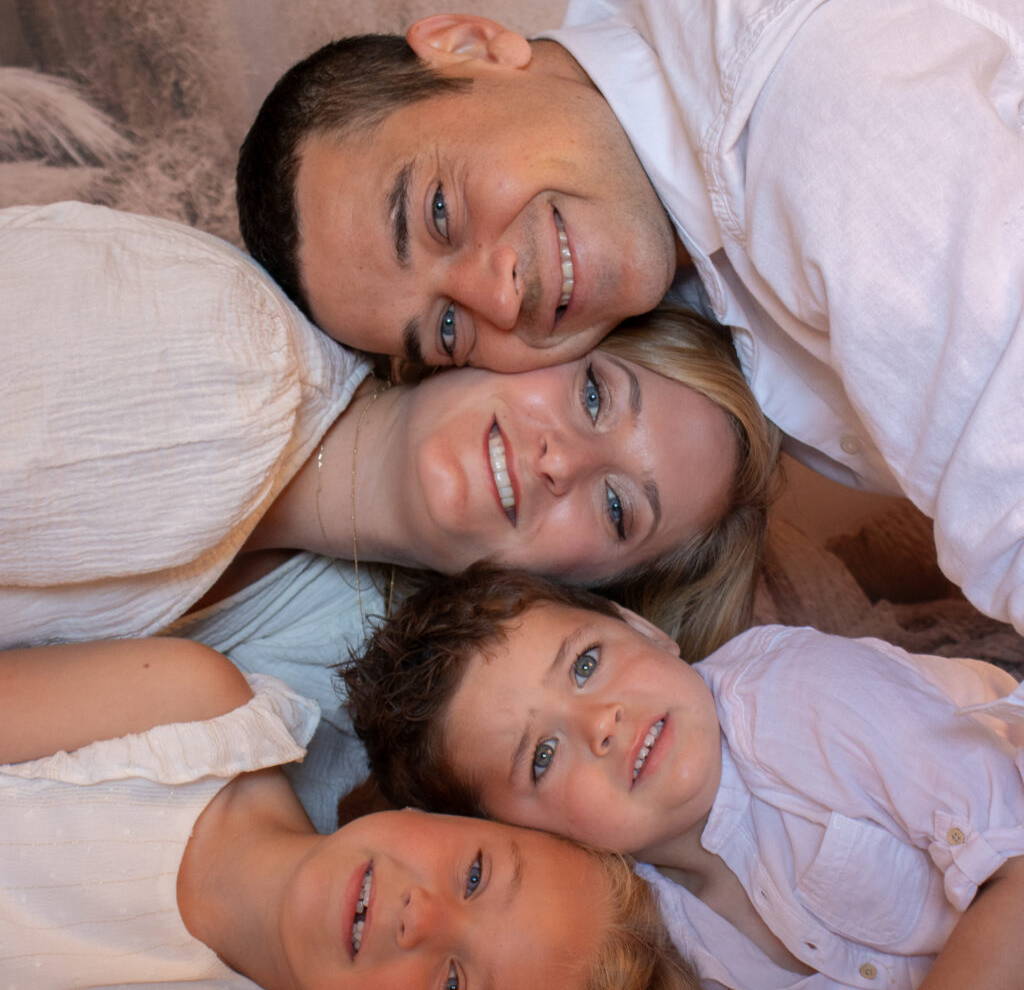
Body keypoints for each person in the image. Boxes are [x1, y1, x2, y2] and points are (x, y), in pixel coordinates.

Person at [237, 0, 1024, 635]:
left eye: (438, 211)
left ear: (473, 46)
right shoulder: (679, 267)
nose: (498, 296)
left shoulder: (802, 107)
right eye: (447, 329)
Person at [2, 202, 777, 827]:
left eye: (616, 508)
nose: (562, 459)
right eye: (595, 395)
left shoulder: (344, 714)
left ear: (592, 594)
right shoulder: (204, 329)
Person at [342, 565, 1024, 990]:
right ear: (528, 837)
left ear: (644, 629)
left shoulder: (803, 698)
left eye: (584, 665)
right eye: (542, 756)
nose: (600, 723)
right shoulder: (655, 927)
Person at [0, 633, 723, 990]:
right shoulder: (194, 712)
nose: (424, 918)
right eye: (474, 873)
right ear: (441, 811)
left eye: (452, 989)